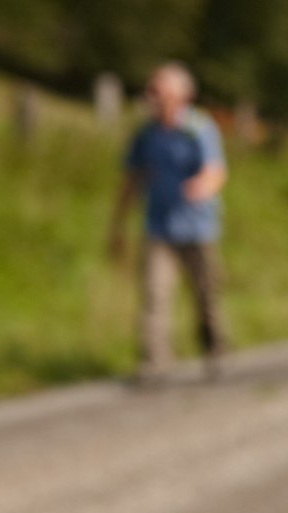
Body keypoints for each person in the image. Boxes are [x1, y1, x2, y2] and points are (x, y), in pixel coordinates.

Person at [108, 61, 229, 384]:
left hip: (198, 229)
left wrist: (201, 186)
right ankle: (155, 361)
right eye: (151, 90)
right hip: (158, 228)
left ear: (181, 95)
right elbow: (131, 181)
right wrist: (117, 226)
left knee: (206, 298)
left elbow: (216, 171)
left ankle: (214, 348)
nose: (152, 96)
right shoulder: (145, 135)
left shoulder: (198, 128)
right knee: (154, 295)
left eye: (158, 90)